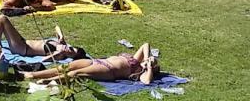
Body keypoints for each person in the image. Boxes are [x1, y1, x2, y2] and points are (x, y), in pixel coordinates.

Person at [22, 43, 160, 85]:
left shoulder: (140, 72)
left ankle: (47, 81)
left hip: (108, 69)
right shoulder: (137, 60)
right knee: (66, 67)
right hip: (98, 61)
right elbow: (145, 45)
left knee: (75, 73)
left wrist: (148, 68)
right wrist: (148, 58)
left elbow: (147, 82)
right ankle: (32, 74)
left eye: (154, 63)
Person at [0, 15, 86, 61]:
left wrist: (58, 53)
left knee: (2, 19)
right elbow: (57, 27)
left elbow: (43, 60)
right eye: (72, 49)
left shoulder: (60, 55)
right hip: (23, 42)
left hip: (22, 49)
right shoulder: (62, 44)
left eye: (71, 54)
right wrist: (61, 37)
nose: (69, 51)